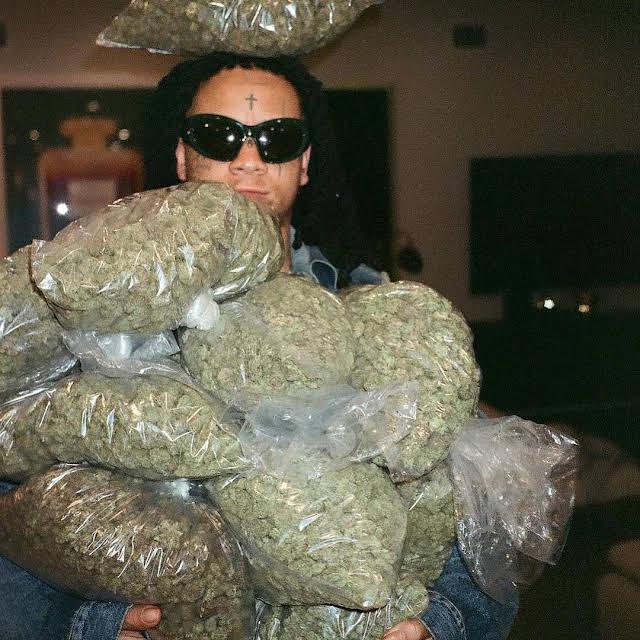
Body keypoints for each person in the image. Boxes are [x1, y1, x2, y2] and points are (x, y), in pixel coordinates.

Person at [0, 53, 518, 640]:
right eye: (217, 135)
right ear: (182, 156)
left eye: (277, 138)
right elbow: (20, 520)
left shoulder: (374, 309)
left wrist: (436, 624)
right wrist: (95, 625)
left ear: (304, 163)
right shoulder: (102, 319)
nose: (248, 158)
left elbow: (484, 530)